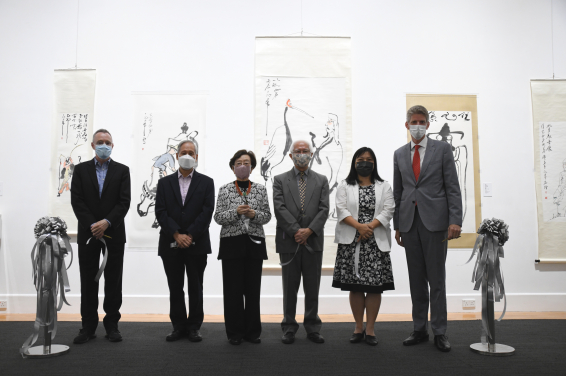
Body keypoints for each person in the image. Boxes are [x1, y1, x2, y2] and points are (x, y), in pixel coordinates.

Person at [393, 105, 462, 352]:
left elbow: (452, 186)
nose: (418, 125)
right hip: (410, 223)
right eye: (414, 121)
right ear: (407, 124)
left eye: (422, 121)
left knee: (437, 280)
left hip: (436, 223)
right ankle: (419, 328)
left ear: (428, 125)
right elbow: (399, 192)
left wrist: (455, 220)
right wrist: (397, 225)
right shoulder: (399, 154)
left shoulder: (442, 150)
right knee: (416, 279)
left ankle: (440, 332)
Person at [70, 129, 131, 344]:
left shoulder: (123, 171)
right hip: (88, 235)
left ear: (112, 146)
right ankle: (88, 326)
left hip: (114, 233)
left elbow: (124, 202)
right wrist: (92, 225)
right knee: (88, 280)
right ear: (92, 145)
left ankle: (112, 325)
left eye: (107, 142)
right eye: (100, 142)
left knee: (113, 281)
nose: (104, 145)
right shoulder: (80, 170)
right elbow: (77, 201)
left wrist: (106, 222)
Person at [333, 147, 395, 346]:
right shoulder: (344, 185)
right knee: (356, 287)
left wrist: (369, 227)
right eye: (361, 159)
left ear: (374, 163)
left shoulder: (384, 185)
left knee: (375, 288)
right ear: (354, 162)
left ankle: (370, 329)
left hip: (375, 242)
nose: (365, 162)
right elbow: (341, 209)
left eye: (369, 160)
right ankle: (358, 327)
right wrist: (359, 227)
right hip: (352, 241)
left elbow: (389, 209)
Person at [155, 139, 214, 343]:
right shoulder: (164, 183)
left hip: (196, 243)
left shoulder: (207, 182)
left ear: (196, 156)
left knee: (196, 287)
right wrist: (176, 234)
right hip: (170, 243)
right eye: (183, 152)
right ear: (177, 155)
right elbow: (161, 212)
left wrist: (189, 235)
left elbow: (207, 212)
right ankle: (178, 326)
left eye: (191, 152)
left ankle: (194, 327)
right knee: (175, 286)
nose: (187, 155)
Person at [273, 140, 330, 344]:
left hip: (313, 241)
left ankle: (312, 327)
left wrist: (309, 231)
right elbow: (279, 208)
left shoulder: (322, 180)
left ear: (312, 154)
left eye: (305, 151)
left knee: (312, 286)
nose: (302, 154)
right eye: (297, 151)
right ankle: (289, 326)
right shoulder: (279, 180)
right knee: (289, 287)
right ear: (291, 155)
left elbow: (324, 209)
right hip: (289, 241)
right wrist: (297, 231)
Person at [213, 150, 272, 345]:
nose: (242, 166)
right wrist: (235, 212)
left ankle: (253, 332)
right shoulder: (224, 189)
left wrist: (254, 214)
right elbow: (218, 217)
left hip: (254, 243)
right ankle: (234, 333)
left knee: (253, 291)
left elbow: (267, 216)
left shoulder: (261, 189)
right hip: (231, 244)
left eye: (246, 163)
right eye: (238, 162)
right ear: (232, 167)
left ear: (252, 167)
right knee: (232, 291)